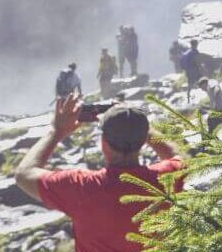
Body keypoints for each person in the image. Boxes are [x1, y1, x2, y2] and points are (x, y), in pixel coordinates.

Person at [14, 95, 184, 252]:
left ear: (103, 144)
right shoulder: (167, 178)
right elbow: (177, 156)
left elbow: (24, 174)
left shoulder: (79, 187)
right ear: (142, 143)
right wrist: (138, 125)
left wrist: (56, 131)